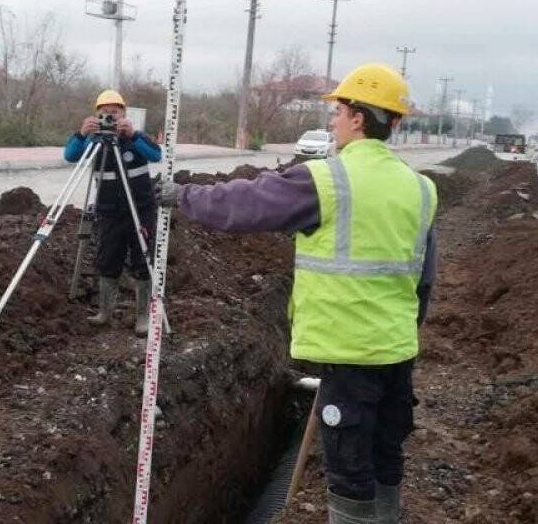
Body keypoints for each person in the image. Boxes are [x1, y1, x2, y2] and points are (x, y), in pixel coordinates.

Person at [157, 63, 437, 524]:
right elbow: (425, 280)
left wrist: (183, 197)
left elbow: (246, 204)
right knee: (385, 459)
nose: (333, 120)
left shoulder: (327, 180)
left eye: (339, 110)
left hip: (349, 359)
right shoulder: (421, 189)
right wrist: (397, 333)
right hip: (397, 355)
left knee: (348, 473)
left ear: (360, 118)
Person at [64, 89, 162, 336]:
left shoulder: (134, 139)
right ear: (96, 115)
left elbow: (157, 155)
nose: (110, 117)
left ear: (124, 115)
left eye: (114, 113)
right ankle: (104, 312)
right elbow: (70, 156)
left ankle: (143, 317)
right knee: (107, 259)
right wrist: (82, 133)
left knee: (143, 260)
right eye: (104, 113)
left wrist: (134, 134)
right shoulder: (94, 143)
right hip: (109, 211)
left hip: (140, 209)